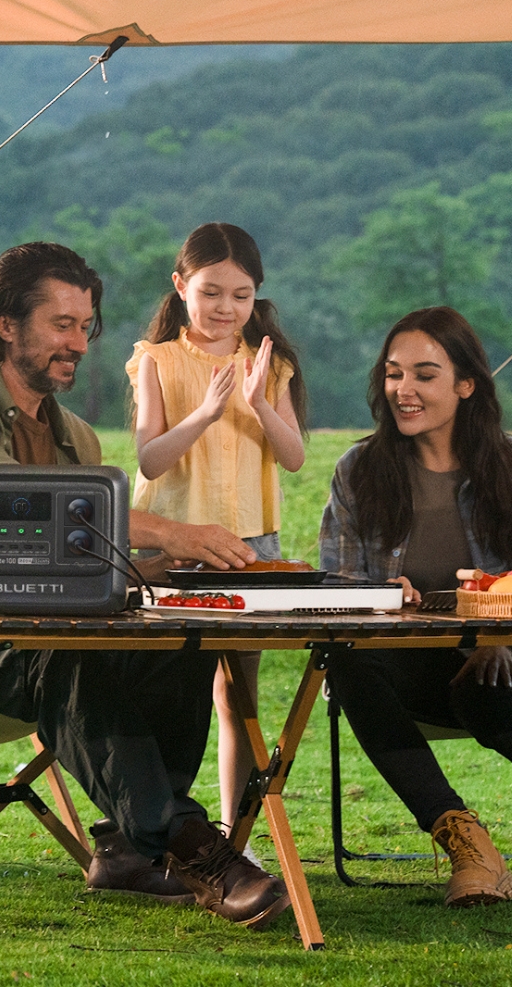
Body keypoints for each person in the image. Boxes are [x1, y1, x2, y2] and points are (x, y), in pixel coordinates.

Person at [0, 241, 291, 930]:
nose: (77, 343)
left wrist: (166, 570)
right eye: (60, 325)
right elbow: (6, 502)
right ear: (6, 325)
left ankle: (131, 848)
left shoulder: (74, 435)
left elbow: (83, 559)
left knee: (179, 635)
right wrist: (168, 531)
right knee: (65, 653)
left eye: (84, 326)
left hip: (48, 638)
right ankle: (199, 851)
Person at [319, 305, 512, 907]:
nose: (403, 389)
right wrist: (381, 598)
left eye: (424, 374)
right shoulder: (359, 470)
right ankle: (467, 845)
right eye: (394, 374)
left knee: (486, 687)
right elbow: (336, 589)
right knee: (347, 661)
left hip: (507, 667)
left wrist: (496, 630)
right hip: (397, 670)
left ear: (466, 385)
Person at [125, 223, 307, 853]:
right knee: (168, 688)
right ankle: (156, 828)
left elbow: (294, 458)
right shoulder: (156, 359)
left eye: (240, 295)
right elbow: (149, 460)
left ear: (256, 295)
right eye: (210, 293)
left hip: (250, 547)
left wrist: (258, 403)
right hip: (170, 550)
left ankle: (236, 834)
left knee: (238, 695)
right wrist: (204, 412)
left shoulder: (269, 364)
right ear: (181, 287)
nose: (225, 308)